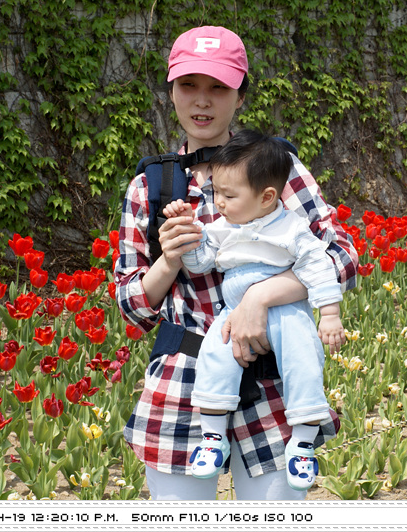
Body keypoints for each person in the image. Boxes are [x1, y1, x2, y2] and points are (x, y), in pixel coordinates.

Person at [114, 25, 357, 501]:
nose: (201, 101)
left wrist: (260, 299)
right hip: (186, 379)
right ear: (171, 91)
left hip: (271, 375)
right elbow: (132, 306)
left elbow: (341, 257)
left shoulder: (275, 168)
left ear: (240, 95)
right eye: (189, 86)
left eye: (218, 88)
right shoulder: (150, 187)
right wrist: (170, 258)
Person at [161, 130, 346, 491]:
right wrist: (188, 234)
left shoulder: (291, 227)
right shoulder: (220, 227)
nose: (219, 203)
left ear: (266, 197)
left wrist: (330, 314)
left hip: (288, 310)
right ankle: (212, 438)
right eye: (217, 194)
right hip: (232, 311)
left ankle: (303, 444)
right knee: (215, 355)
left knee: (304, 361)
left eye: (229, 196)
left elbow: (319, 265)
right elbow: (200, 264)